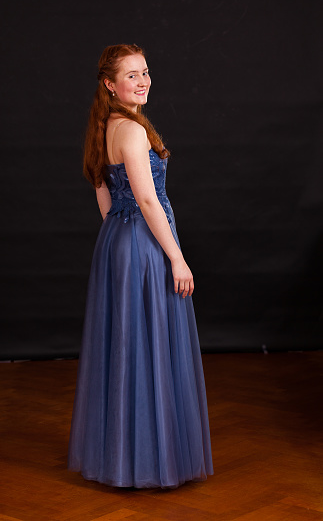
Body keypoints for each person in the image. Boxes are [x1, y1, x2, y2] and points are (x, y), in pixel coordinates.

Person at [68, 44, 214, 489]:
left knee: (127, 345)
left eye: (145, 72)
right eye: (132, 75)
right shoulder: (130, 131)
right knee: (147, 344)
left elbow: (104, 198)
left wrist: (122, 236)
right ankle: (152, 459)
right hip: (145, 244)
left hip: (118, 241)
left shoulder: (103, 128)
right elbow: (148, 200)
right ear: (110, 84)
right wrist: (175, 256)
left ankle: (123, 456)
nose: (143, 80)